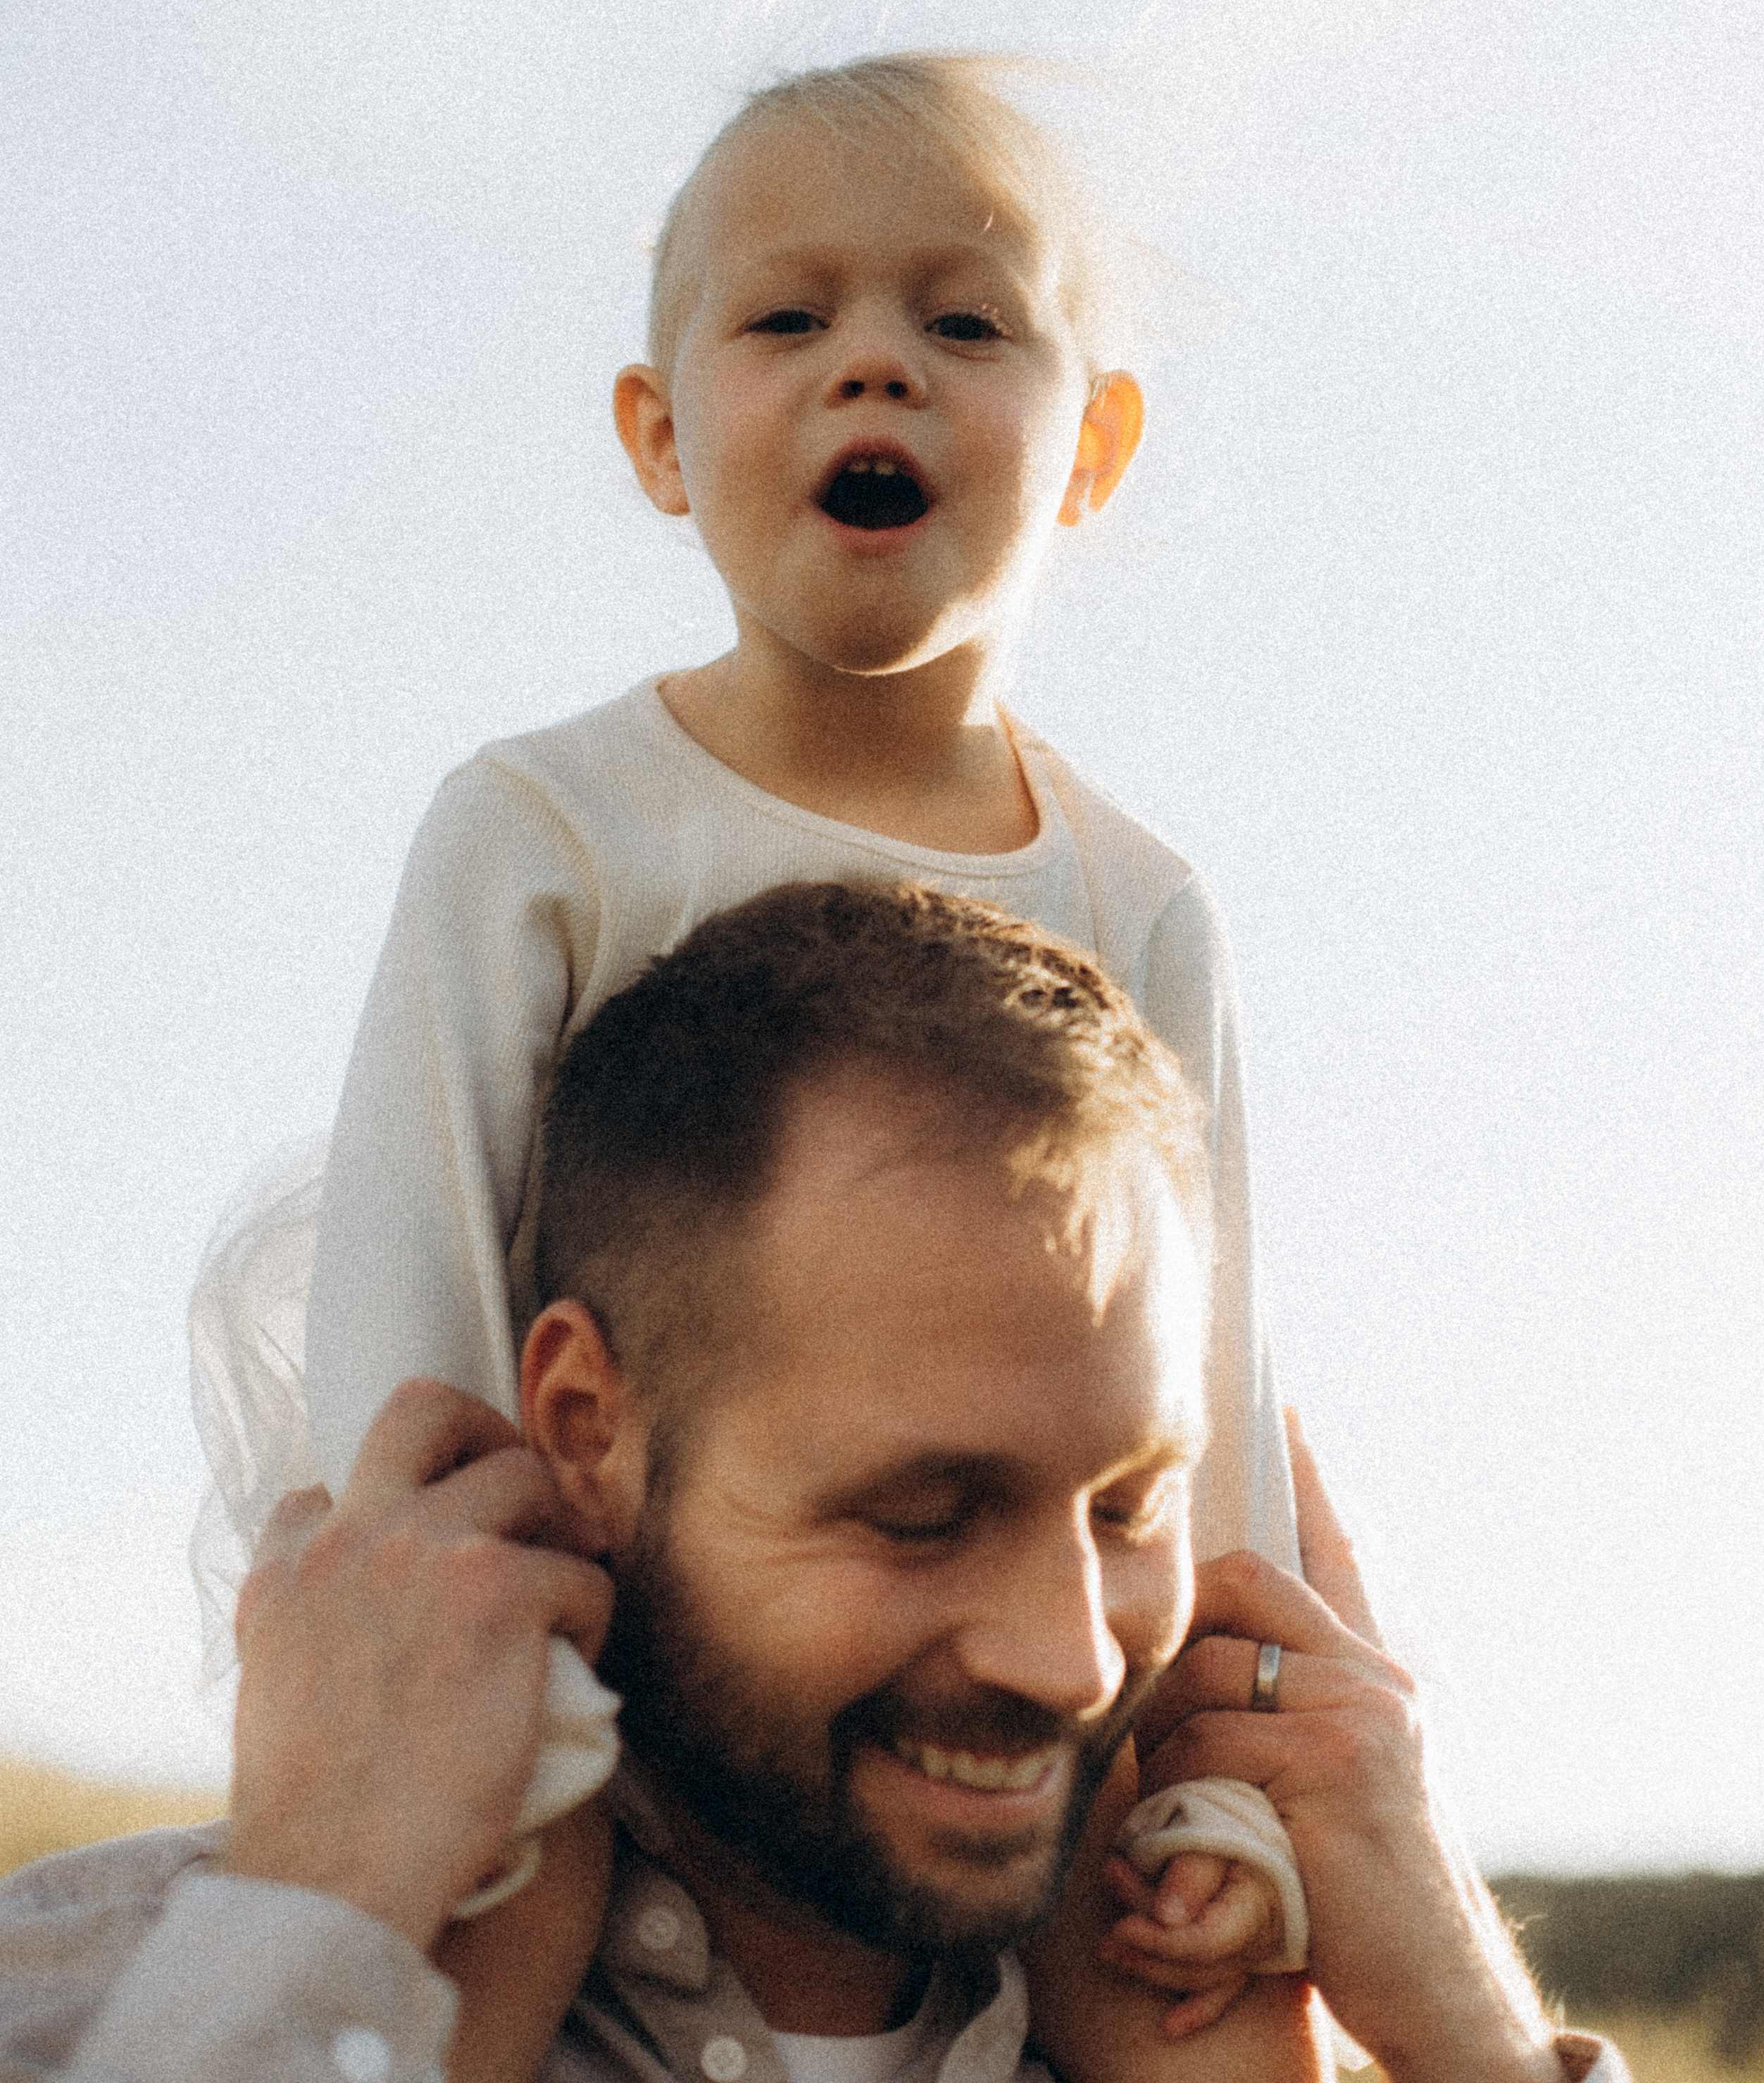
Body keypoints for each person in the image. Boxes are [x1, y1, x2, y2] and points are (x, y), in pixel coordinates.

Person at [189, 56, 1301, 2015]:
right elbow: (414, 1280)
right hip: (584, 1673)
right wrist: (467, 1697)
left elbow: (1197, 1389)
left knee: (1160, 1997)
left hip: (980, 1686)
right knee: (502, 1941)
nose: (876, 367)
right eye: (789, 318)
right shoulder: (546, 828)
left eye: (964, 321)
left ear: (1096, 445)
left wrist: (1227, 1808)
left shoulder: (1144, 905)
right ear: (660, 435)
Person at [1, 885, 1625, 2083]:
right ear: (583, 1425)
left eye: (1129, 1506)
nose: (1069, 1658)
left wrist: (1466, 2031)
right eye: (921, 1513)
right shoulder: (104, 1993)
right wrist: (331, 1900)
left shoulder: (1244, 2058)